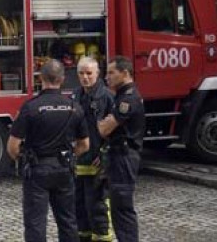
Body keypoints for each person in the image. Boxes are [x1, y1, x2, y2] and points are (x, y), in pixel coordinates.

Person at [8, 59, 90, 242]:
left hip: (37, 170)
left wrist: (22, 157)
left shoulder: (30, 107)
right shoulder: (74, 107)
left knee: (35, 223)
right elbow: (85, 144)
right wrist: (69, 155)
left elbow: (13, 147)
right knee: (68, 221)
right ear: (62, 79)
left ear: (41, 78)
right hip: (64, 169)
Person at [97, 56, 146, 242]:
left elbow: (104, 129)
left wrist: (102, 123)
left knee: (123, 208)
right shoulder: (122, 96)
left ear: (125, 73)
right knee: (117, 209)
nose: (106, 77)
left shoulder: (128, 99)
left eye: (111, 73)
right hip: (119, 155)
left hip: (124, 157)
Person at [71, 57, 114, 242]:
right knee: (79, 208)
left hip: (97, 163)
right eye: (81, 73)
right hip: (79, 163)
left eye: (89, 73)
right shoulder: (76, 95)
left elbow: (118, 130)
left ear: (97, 74)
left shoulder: (106, 98)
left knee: (97, 207)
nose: (85, 77)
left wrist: (105, 152)